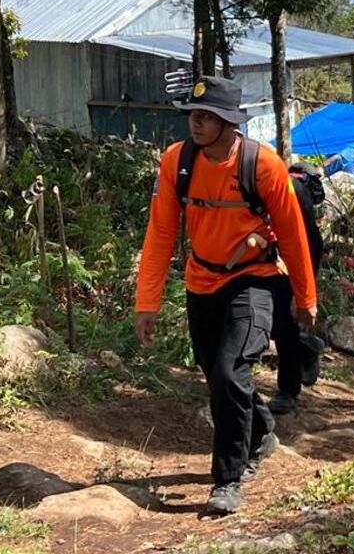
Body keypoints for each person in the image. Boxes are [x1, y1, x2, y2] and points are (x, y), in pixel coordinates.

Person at [134, 76, 317, 515]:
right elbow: (161, 231)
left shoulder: (264, 166)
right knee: (216, 377)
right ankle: (260, 431)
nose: (195, 124)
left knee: (232, 370)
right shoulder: (177, 162)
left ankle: (227, 480)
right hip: (201, 282)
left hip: (253, 279)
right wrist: (147, 301)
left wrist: (304, 296)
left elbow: (293, 234)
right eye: (192, 115)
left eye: (205, 117)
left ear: (229, 123)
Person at [268, 162, 326, 415]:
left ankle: (288, 390)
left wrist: (302, 291)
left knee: (284, 326)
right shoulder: (271, 183)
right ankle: (307, 347)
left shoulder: (293, 191)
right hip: (270, 261)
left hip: (290, 265)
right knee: (276, 325)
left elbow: (311, 243)